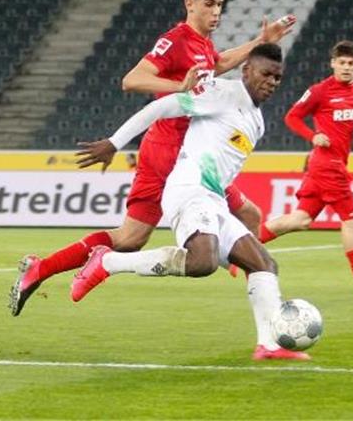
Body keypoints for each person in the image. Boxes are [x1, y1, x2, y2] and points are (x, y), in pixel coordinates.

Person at [8, 0, 295, 316]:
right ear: (189, 4)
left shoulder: (203, 44)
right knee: (248, 213)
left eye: (219, 4)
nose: (216, 10)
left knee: (130, 238)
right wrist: (177, 87)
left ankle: (40, 268)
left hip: (179, 150)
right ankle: (246, 271)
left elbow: (217, 64)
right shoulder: (174, 40)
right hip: (173, 154)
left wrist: (260, 41)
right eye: (208, 3)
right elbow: (132, 80)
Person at [69, 44, 309, 361]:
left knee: (264, 264)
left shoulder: (257, 120)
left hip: (213, 201)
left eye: (277, 78)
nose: (272, 82)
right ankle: (108, 261)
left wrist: (231, 251)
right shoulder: (221, 93)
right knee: (202, 263)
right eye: (266, 74)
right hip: (188, 191)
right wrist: (115, 142)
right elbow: (160, 108)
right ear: (246, 71)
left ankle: (269, 344)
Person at [255, 40, 353, 297]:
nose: (345, 67)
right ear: (332, 63)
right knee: (352, 220)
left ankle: (241, 248)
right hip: (327, 165)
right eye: (341, 63)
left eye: (350, 63)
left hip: (330, 166)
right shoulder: (320, 91)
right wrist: (313, 136)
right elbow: (292, 116)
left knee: (301, 220)